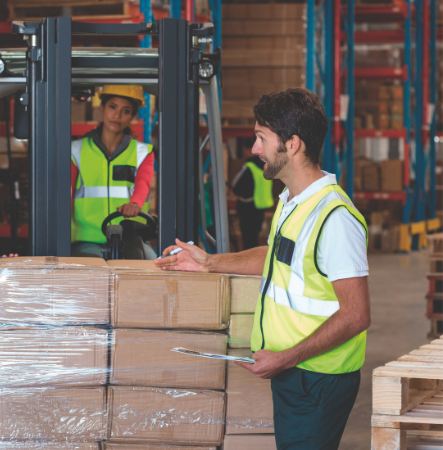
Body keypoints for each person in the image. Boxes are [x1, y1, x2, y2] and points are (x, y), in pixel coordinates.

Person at [156, 88, 370, 450]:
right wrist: (210, 263)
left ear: (293, 144)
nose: (255, 149)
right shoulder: (292, 201)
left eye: (261, 138)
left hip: (317, 376)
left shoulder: (334, 218)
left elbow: (357, 315)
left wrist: (286, 358)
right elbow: (275, 256)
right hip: (293, 369)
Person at [71, 85, 156, 259]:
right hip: (87, 238)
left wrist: (135, 204)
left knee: (153, 266)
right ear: (102, 109)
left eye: (126, 111)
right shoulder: (76, 151)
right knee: (94, 272)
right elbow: (67, 194)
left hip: (131, 236)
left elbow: (143, 183)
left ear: (131, 117)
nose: (117, 116)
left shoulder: (142, 152)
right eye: (112, 107)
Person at [232, 154, 274, 249]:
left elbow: (235, 186)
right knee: (254, 239)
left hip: (248, 208)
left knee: (248, 242)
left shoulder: (249, 166)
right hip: (261, 205)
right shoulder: (267, 164)